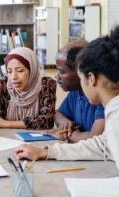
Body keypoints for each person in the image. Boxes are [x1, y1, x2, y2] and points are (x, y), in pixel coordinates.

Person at [13, 26, 119, 171]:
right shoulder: (114, 110)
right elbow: (102, 145)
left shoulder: (115, 115)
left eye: (80, 77)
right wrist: (45, 152)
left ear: (91, 78)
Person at [0, 47, 56, 138]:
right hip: (6, 139)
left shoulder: (46, 84)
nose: (13, 77)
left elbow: (47, 120)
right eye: (9, 71)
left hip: (36, 143)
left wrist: (6, 124)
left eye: (20, 70)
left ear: (32, 69)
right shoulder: (4, 84)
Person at [54, 40, 105, 142]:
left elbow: (95, 139)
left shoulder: (103, 97)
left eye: (62, 72)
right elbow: (57, 114)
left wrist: (71, 135)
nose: (56, 76)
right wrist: (64, 122)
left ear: (80, 71)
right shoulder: (75, 92)